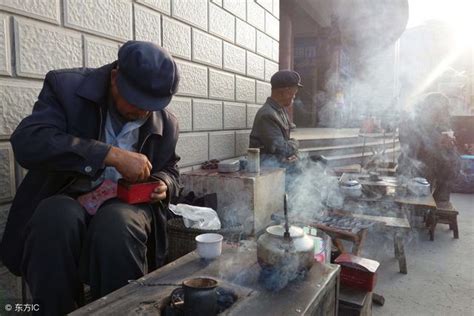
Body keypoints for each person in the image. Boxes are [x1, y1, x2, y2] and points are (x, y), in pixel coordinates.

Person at [0, 41, 181, 315]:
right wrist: (108, 154)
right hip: (67, 197)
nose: (143, 112)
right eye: (136, 102)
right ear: (114, 77)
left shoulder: (166, 123)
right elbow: (28, 143)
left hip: (125, 209)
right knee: (55, 216)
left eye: (151, 106)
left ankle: (121, 311)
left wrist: (164, 184)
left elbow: (171, 169)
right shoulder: (65, 88)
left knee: (117, 223)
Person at [398, 92, 460, 202]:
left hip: (437, 175)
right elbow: (410, 147)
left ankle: (440, 203)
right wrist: (437, 142)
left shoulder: (441, 126)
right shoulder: (412, 122)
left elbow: (449, 158)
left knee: (454, 162)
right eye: (444, 109)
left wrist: (450, 147)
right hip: (413, 174)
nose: (447, 113)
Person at [249, 70, 302, 167]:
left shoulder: (280, 110)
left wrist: (294, 154)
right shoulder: (267, 115)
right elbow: (282, 149)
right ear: (284, 92)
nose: (294, 97)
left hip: (279, 166)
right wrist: (295, 143)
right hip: (267, 171)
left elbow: (285, 147)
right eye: (293, 94)